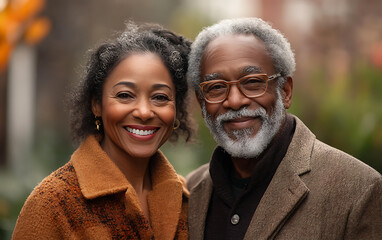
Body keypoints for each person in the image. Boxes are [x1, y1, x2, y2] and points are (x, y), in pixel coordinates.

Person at [186, 17, 382, 240]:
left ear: (285, 91)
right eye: (217, 87)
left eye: (252, 82)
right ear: (202, 103)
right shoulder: (189, 191)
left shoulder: (357, 189)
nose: (235, 101)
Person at [12, 22, 194, 239]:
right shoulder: (54, 202)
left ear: (177, 110)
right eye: (125, 95)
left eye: (160, 97)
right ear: (96, 105)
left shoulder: (187, 202)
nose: (144, 112)